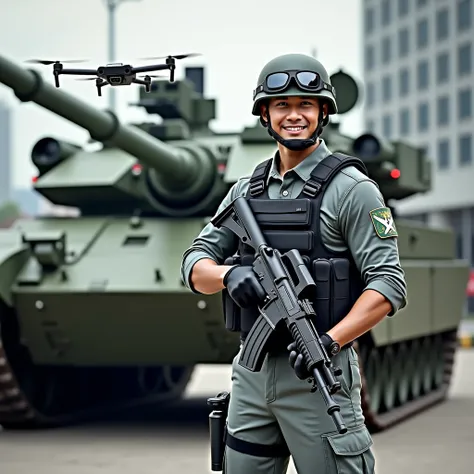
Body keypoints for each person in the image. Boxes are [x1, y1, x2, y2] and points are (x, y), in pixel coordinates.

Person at [180, 53, 407, 474]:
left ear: (323, 112)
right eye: (282, 105)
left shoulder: (353, 190)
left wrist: (330, 341)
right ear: (265, 114)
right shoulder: (245, 191)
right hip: (252, 373)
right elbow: (194, 264)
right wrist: (230, 274)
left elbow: (388, 285)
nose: (294, 115)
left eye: (306, 104)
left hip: (320, 373)